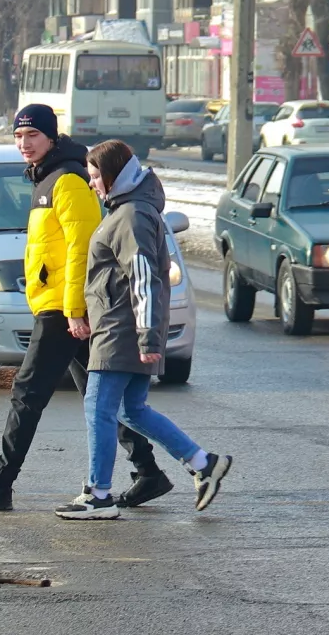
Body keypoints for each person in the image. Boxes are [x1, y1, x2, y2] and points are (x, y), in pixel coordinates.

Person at [0, 104, 171, 511]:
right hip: (62, 307)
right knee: (103, 396)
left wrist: (73, 310)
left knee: (27, 394)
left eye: (32, 136)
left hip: (65, 310)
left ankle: (0, 483)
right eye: (18, 137)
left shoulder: (67, 180)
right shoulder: (48, 179)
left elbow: (82, 250)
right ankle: (148, 472)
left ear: (52, 137)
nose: (24, 144)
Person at [57, 139, 233, 520]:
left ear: (114, 175)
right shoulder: (128, 209)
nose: (91, 184)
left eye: (95, 176)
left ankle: (98, 494)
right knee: (129, 409)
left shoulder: (131, 215)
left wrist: (149, 336)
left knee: (99, 408)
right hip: (121, 327)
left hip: (121, 332)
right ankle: (203, 463)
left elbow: (144, 279)